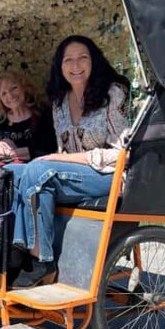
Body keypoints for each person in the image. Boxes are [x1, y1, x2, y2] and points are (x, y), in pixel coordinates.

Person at [11, 35, 130, 288]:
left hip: (108, 174)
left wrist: (65, 159)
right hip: (77, 175)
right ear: (60, 66)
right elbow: (61, 150)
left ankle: (41, 261)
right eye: (69, 60)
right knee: (14, 174)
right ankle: (15, 251)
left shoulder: (112, 93)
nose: (76, 65)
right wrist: (59, 158)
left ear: (93, 61)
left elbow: (122, 153)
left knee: (39, 170)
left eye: (82, 58)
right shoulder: (60, 102)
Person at [0, 70, 56, 165]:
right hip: (1, 174)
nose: (10, 95)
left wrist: (13, 153)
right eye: (4, 93)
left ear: (24, 87)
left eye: (14, 88)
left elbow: (51, 149)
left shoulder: (42, 115)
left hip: (34, 171)